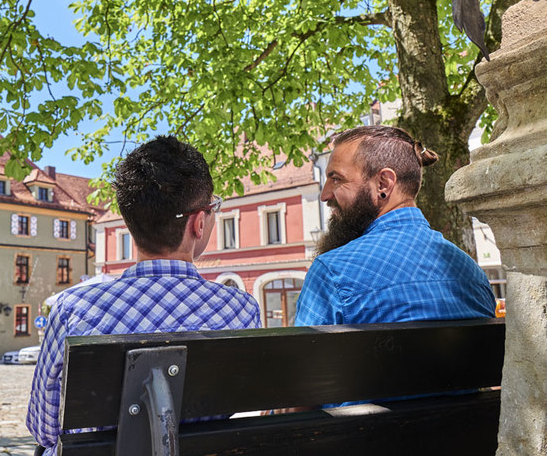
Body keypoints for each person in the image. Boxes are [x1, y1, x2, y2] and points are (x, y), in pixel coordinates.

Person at [27, 135, 261, 454]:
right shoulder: (242, 309)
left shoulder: (74, 309)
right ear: (199, 223)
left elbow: (43, 428)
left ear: (130, 223)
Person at [295, 125, 496, 327]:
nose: (324, 195)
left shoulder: (332, 273)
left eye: (336, 179)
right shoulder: (474, 275)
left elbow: (304, 348)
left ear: (383, 184)